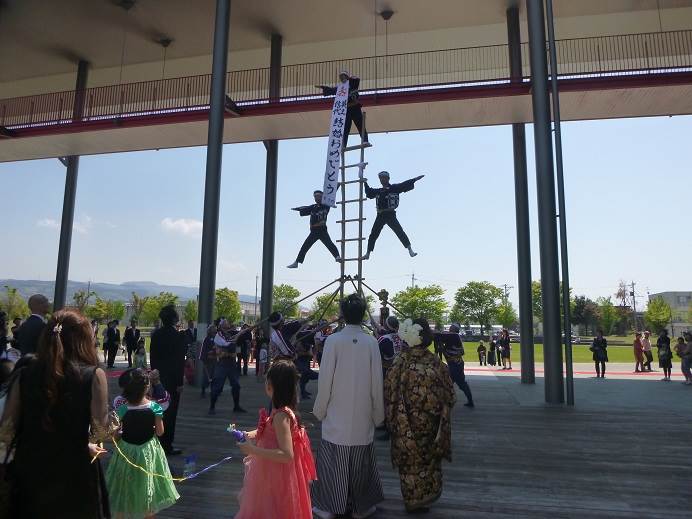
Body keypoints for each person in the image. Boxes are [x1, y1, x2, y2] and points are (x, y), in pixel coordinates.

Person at [0, 309, 111, 518]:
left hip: (30, 468)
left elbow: (6, 428)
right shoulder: (93, 376)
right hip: (74, 472)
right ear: (84, 338)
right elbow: (100, 432)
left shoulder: (25, 372)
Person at [311, 294, 384, 519]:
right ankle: (360, 507)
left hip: (336, 411)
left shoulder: (333, 341)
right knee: (361, 461)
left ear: (343, 314)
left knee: (334, 462)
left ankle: (329, 507)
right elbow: (377, 382)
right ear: (363, 315)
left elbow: (325, 382)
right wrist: (378, 414)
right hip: (362, 413)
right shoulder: (371, 342)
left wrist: (320, 409)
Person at [386, 318, 456, 513]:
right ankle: (425, 497)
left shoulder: (400, 362)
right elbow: (450, 394)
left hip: (405, 423)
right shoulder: (435, 362)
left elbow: (389, 389)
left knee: (409, 462)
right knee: (429, 461)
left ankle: (411, 498)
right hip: (432, 424)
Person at [235, 361, 317, 518]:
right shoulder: (281, 411)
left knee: (274, 509)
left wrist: (252, 450)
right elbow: (269, 432)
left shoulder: (281, 416)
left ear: (272, 386)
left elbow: (287, 454)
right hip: (274, 472)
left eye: (267, 379)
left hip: (278, 475)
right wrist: (248, 434)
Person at [106, 368, 180, 517]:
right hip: (148, 451)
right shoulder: (155, 408)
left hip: (127, 450)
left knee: (124, 486)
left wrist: (120, 435)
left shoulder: (122, 409)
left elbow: (114, 435)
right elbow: (160, 432)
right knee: (148, 486)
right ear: (147, 387)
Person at [149, 305, 187, 455]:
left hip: (159, 378)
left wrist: (154, 376)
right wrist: (179, 383)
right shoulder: (178, 336)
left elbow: (152, 357)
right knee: (170, 412)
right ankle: (167, 444)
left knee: (157, 410)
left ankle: (155, 441)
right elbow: (179, 362)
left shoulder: (156, 335)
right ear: (174, 319)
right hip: (172, 380)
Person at [363, 171, 424, 260]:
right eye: (381, 178)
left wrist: (414, 179)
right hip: (380, 214)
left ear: (388, 179)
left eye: (384, 178)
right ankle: (368, 253)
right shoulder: (379, 191)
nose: (382, 180)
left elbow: (404, 184)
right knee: (373, 234)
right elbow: (369, 193)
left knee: (399, 231)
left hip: (390, 214)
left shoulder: (394, 188)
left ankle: (410, 249)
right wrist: (365, 182)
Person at [288, 190, 341, 269]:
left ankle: (337, 256)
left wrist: (337, 186)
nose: (316, 198)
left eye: (318, 196)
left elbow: (330, 193)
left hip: (322, 229)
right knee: (305, 246)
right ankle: (297, 262)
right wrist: (297, 209)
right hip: (314, 231)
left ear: (322, 197)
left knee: (329, 244)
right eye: (315, 197)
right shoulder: (313, 207)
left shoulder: (326, 205)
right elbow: (305, 208)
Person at [316, 70, 368, 149]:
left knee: (360, 125)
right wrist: (324, 88)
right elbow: (332, 90)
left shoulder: (352, 83)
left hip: (355, 107)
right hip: (346, 109)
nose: (342, 78)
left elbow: (356, 79)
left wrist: (349, 79)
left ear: (347, 77)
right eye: (341, 77)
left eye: (344, 76)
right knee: (345, 128)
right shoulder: (340, 88)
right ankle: (343, 144)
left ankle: (365, 140)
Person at [208, 323, 246, 415]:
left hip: (231, 364)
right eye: (224, 326)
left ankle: (236, 406)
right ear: (221, 327)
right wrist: (237, 337)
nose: (227, 327)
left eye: (227, 326)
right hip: (222, 364)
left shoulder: (229, 335)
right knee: (217, 386)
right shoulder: (218, 336)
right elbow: (227, 345)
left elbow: (235, 347)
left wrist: (241, 334)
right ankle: (212, 407)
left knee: (236, 385)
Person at [435, 324, 474, 407]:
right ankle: (469, 401)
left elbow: (439, 335)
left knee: (452, 383)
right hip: (455, 364)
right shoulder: (453, 337)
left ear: (454, 329)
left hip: (455, 364)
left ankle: (444, 402)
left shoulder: (454, 336)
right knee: (457, 383)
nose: (449, 329)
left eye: (451, 328)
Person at [294, 328, 318, 400]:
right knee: (307, 375)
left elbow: (311, 352)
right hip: (301, 362)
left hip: (306, 360)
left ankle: (303, 391)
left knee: (305, 378)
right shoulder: (299, 343)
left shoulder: (308, 343)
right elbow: (297, 353)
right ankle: (302, 393)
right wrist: (307, 352)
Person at [199, 325, 217, 397]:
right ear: (210, 331)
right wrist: (210, 351)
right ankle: (203, 391)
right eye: (213, 329)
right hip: (208, 360)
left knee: (214, 376)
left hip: (215, 359)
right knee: (206, 376)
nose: (215, 330)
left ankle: (213, 390)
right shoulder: (207, 339)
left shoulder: (216, 338)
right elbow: (204, 350)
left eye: (215, 329)